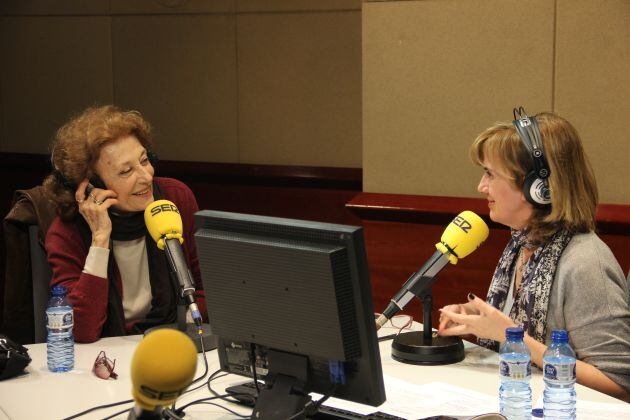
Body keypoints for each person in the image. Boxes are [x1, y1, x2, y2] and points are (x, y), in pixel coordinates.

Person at [438, 109, 630, 401]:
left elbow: (619, 386)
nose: (481, 186)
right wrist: (479, 319)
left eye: (490, 174)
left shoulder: (586, 263)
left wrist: (514, 338)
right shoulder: (522, 244)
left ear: (539, 188)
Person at [43, 105, 208, 343]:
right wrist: (99, 240)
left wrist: (181, 331)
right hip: (105, 358)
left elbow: (206, 292)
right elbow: (81, 331)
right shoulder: (67, 232)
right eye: (126, 171)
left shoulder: (175, 199)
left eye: (145, 160)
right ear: (93, 185)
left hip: (172, 343)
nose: (146, 176)